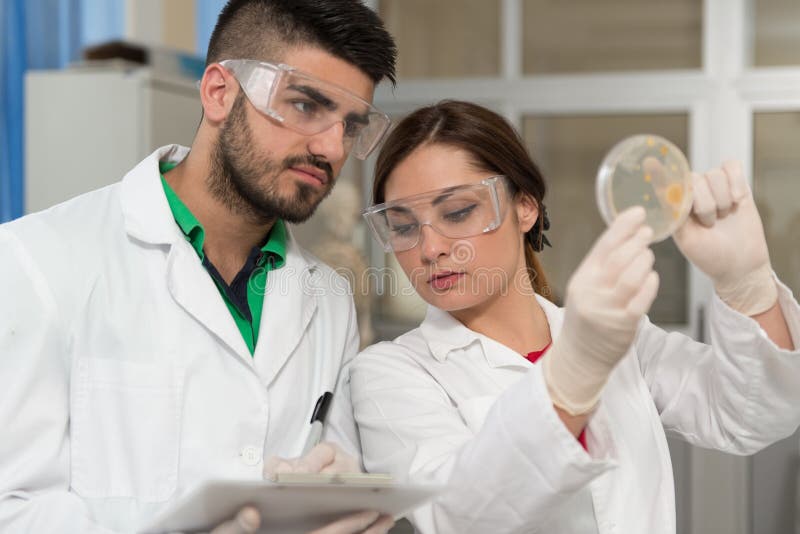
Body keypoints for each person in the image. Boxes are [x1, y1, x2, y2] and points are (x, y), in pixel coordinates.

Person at [0, 1, 397, 532]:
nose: (331, 148)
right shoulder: (38, 260)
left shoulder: (330, 298)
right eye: (305, 105)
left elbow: (325, 477)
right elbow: (12, 505)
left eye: (350, 127)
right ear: (219, 92)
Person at [348, 100, 800, 533]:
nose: (430, 249)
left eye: (458, 211)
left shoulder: (622, 341)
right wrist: (572, 375)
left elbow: (752, 419)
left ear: (525, 207)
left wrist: (748, 287)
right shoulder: (390, 373)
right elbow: (456, 518)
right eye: (404, 226)